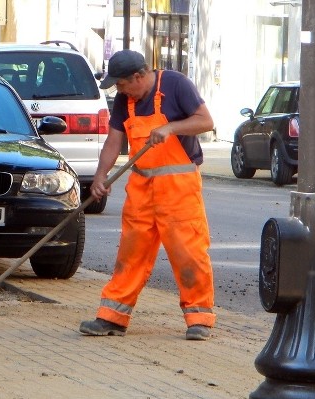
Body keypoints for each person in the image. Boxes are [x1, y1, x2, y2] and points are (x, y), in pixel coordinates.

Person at [78, 49, 216, 341]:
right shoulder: (126, 101)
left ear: (139, 76)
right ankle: (112, 316)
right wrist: (101, 177)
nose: (121, 91)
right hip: (142, 189)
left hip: (179, 188)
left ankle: (199, 318)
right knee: (131, 253)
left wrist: (170, 128)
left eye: (123, 85)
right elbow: (114, 140)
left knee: (188, 252)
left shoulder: (176, 85)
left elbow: (205, 121)